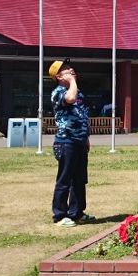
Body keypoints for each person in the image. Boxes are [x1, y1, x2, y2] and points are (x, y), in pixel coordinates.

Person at [48, 58, 94, 226]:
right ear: (59, 76)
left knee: (80, 179)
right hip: (66, 141)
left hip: (79, 141)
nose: (71, 70)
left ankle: (76, 213)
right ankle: (59, 215)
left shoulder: (78, 91)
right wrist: (72, 81)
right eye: (66, 69)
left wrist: (86, 138)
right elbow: (70, 98)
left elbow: (82, 116)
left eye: (70, 67)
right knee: (65, 179)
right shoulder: (58, 92)